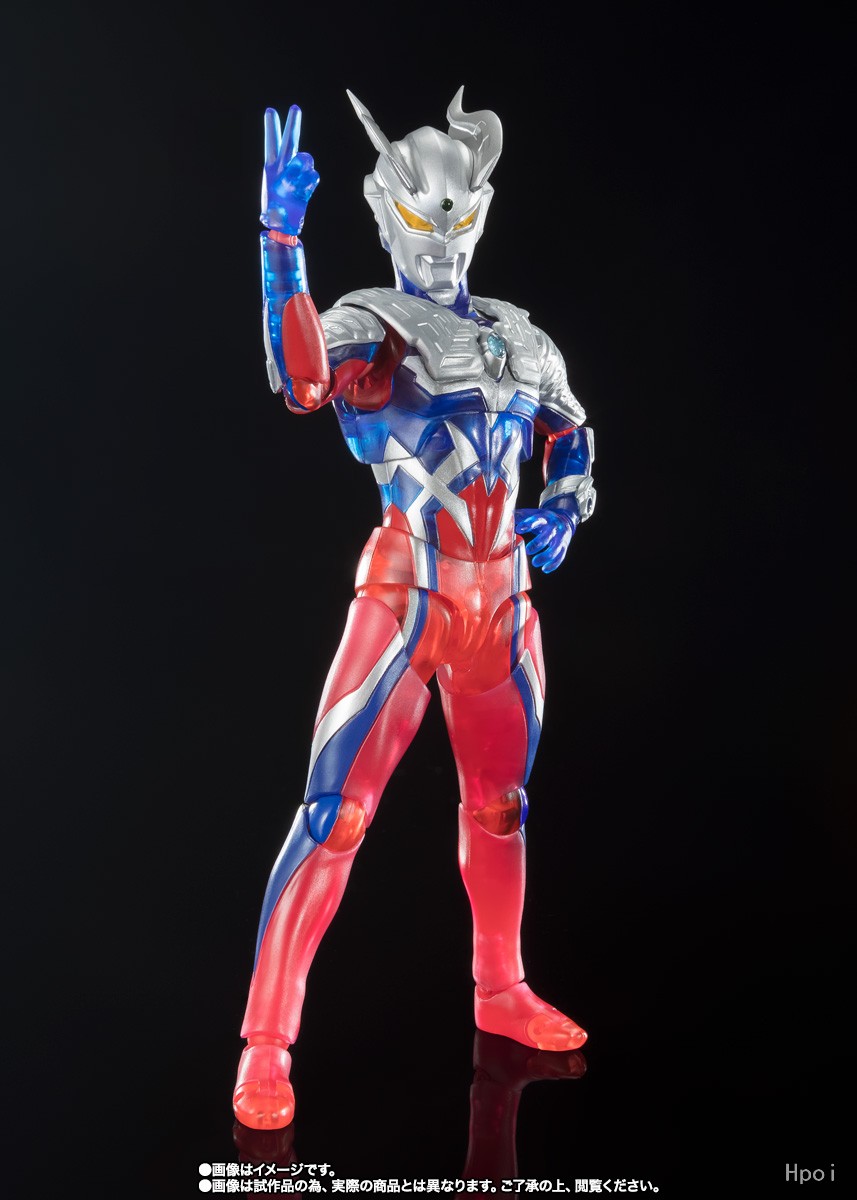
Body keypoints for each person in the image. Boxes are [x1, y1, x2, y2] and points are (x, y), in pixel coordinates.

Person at [234, 90, 596, 1130]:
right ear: (386, 214)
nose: (441, 239)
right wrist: (280, 243)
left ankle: (500, 991)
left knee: (500, 805)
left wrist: (567, 503)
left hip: (503, 603)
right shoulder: (371, 324)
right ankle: (266, 1045)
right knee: (333, 815)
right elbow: (302, 379)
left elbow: (571, 431)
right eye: (422, 218)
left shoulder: (520, 336)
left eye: (458, 217)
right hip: (407, 592)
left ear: (479, 214)